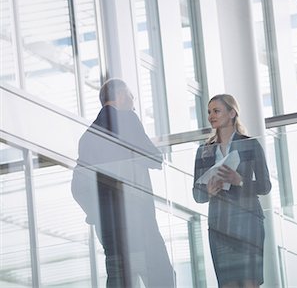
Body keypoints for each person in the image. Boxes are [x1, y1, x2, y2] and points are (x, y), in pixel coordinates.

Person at [71, 78, 175, 288]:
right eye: (130, 95)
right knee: (162, 277)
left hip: (108, 227)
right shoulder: (126, 119)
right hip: (137, 220)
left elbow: (78, 187)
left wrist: (96, 214)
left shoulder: (87, 137)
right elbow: (154, 158)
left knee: (120, 278)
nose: (133, 100)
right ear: (119, 96)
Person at [192, 94, 271, 288]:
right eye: (209, 112)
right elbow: (197, 194)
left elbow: (265, 185)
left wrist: (240, 181)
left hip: (248, 224)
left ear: (232, 112)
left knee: (249, 283)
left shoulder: (250, 144)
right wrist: (208, 191)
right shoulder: (204, 151)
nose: (211, 116)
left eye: (216, 111)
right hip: (220, 227)